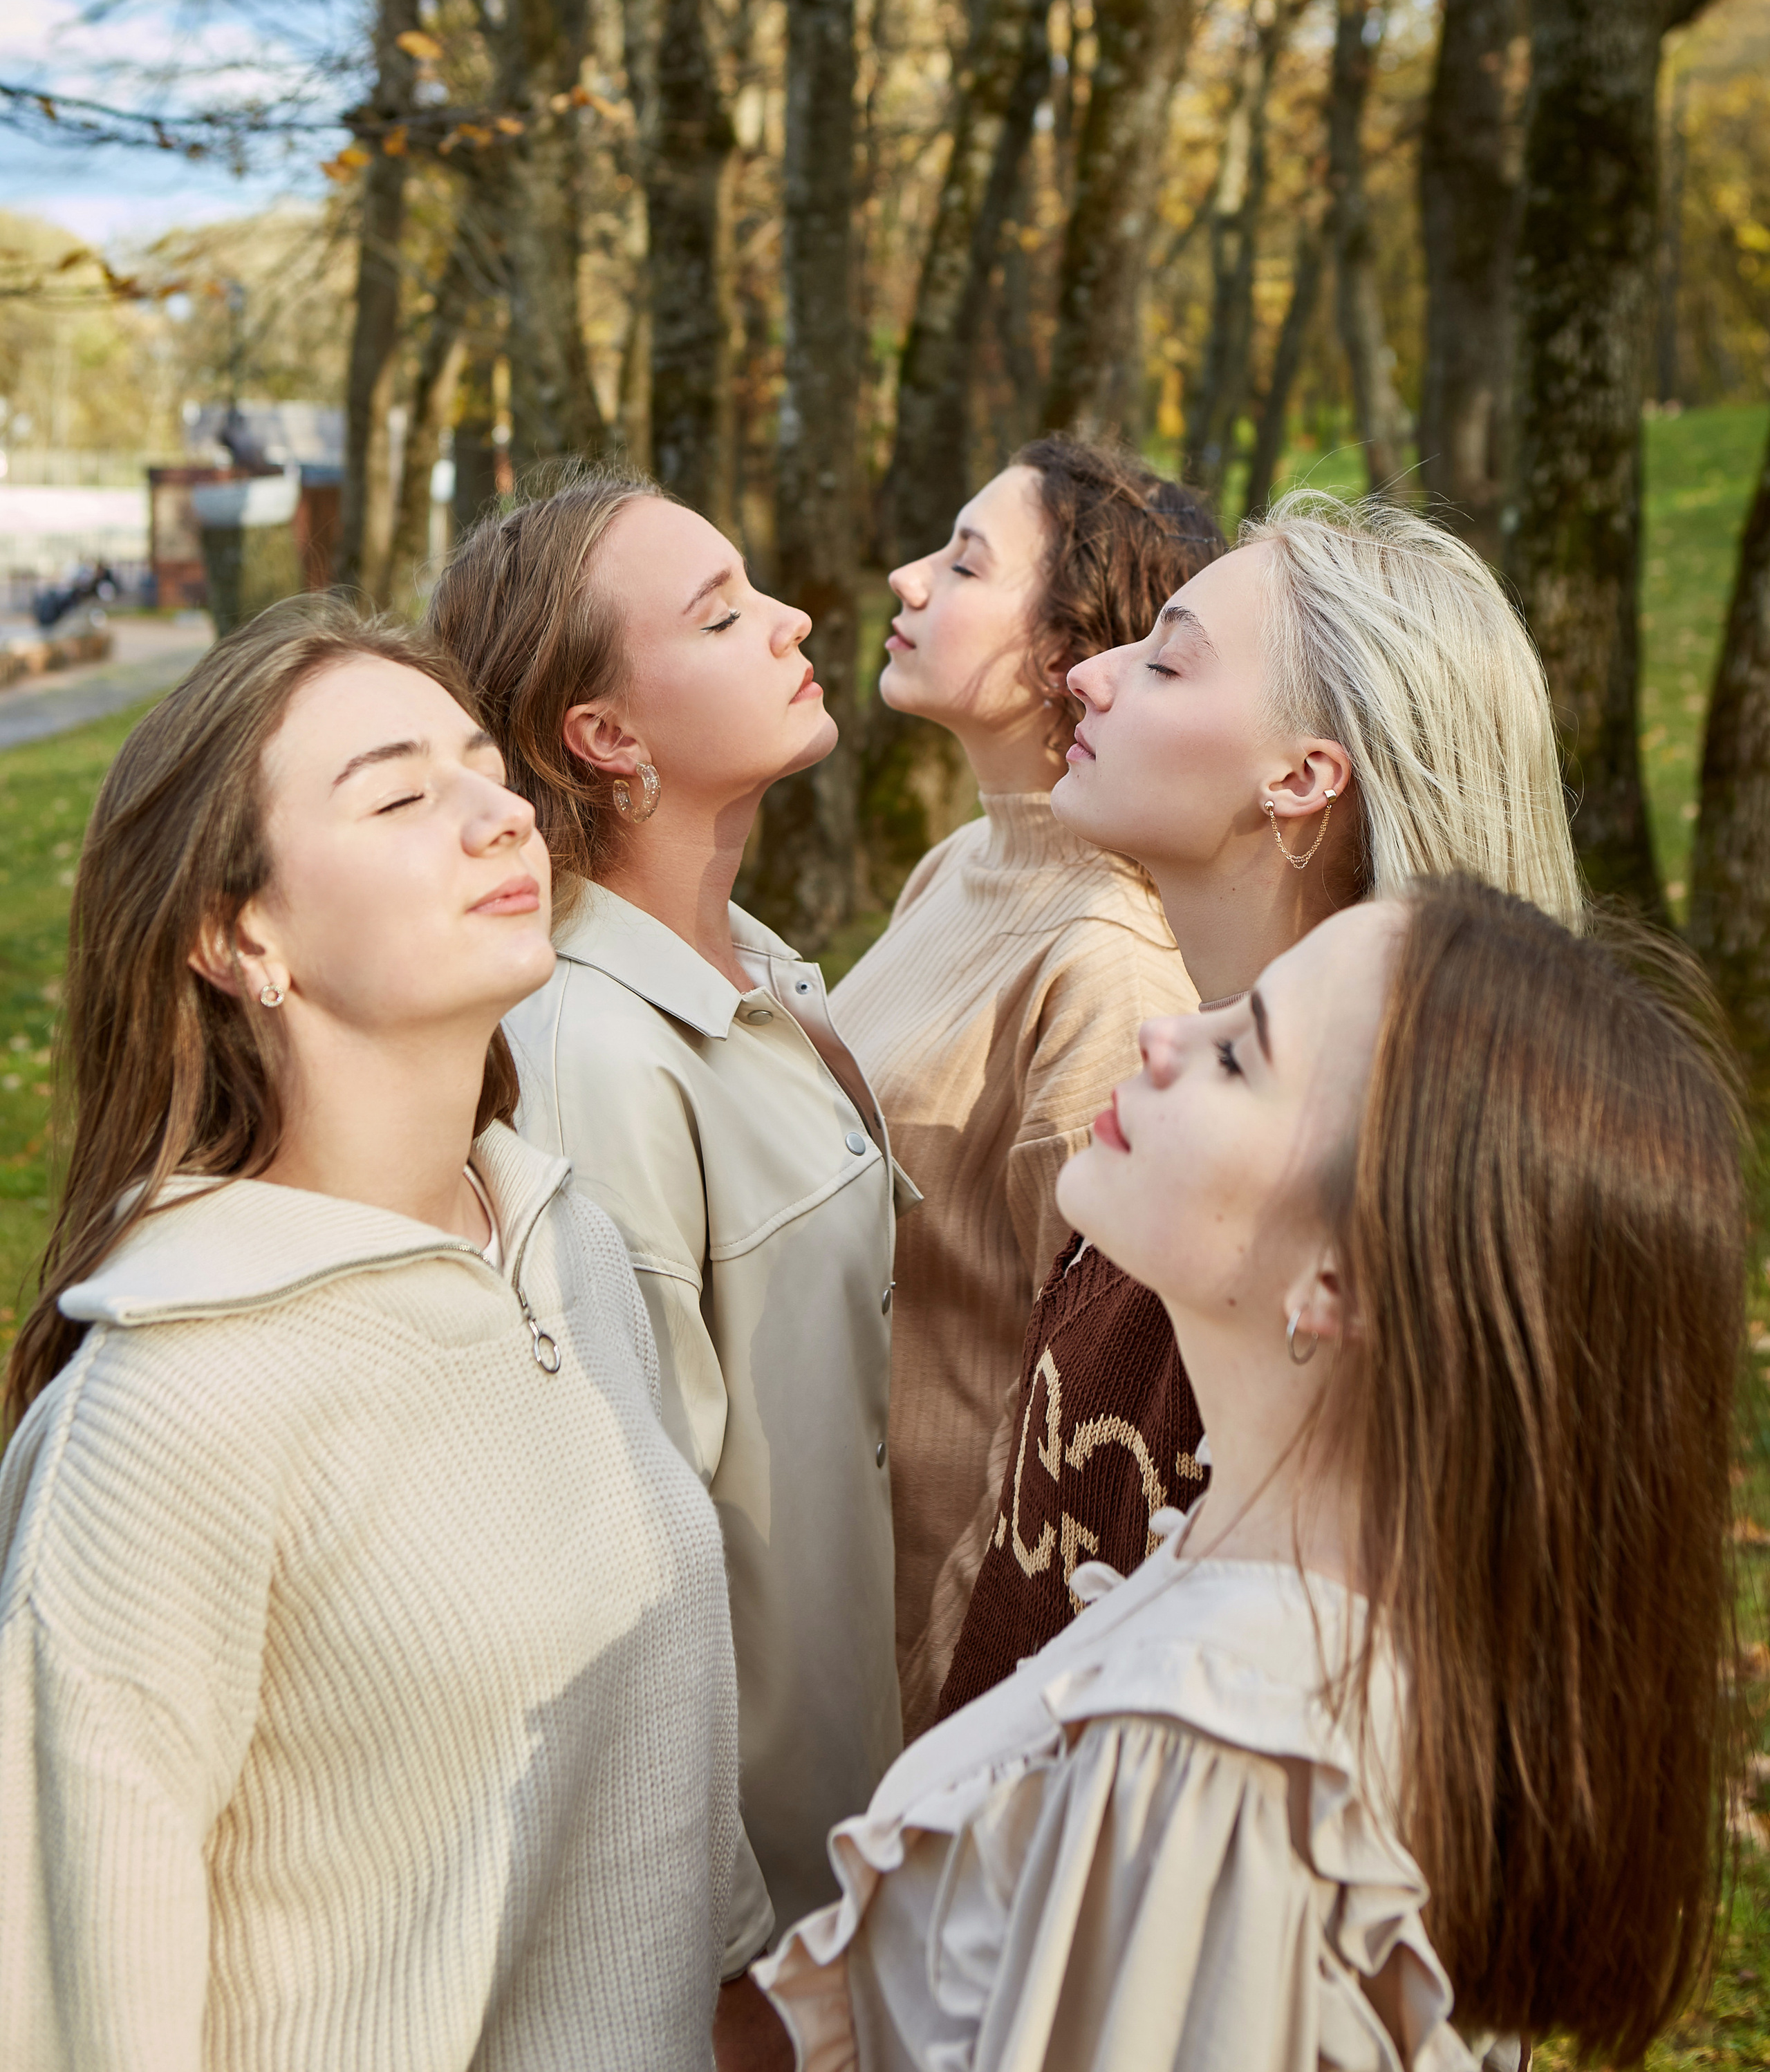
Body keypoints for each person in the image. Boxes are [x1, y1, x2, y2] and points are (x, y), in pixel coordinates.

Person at [757, 878, 1744, 2071]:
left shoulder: (1209, 1759)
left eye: (1240, 1057)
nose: (1163, 1033)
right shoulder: (1341, 1608)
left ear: (1345, 1277)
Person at [0, 600, 745, 2072]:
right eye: (402, 796)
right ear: (237, 936)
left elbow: (665, 1834)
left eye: (486, 768)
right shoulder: (168, 1411)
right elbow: (73, 2014)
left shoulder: (566, 1248)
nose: (501, 817)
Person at [938, 491, 1584, 1720]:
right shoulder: (1177, 1126)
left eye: (1168, 661)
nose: (1088, 676)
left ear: (1301, 778)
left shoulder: (1313, 1244)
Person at [429, 472, 903, 1972]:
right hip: (755, 1933)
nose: (793, 621)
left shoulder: (748, 959)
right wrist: (723, 1965)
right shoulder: (587, 1058)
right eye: (721, 614)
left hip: (859, 1847)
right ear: (606, 736)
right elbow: (622, 1582)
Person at [831, 437, 1223, 1735]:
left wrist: (956, 1702)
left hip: (937, 1664)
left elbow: (1073, 1403)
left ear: (1065, 652)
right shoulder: (954, 867)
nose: (908, 578)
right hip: (821, 1597)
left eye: (961, 562)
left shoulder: (1106, 968)